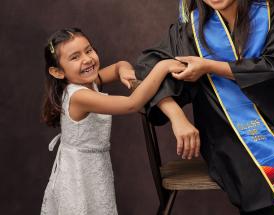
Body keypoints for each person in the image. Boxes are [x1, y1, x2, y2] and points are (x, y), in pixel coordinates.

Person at [135, 0, 274, 214]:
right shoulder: (192, 28)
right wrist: (176, 115)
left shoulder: (270, 13)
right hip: (223, 131)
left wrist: (210, 66)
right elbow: (147, 67)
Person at [40, 28, 186, 215]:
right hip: (78, 174)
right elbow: (131, 104)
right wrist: (162, 67)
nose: (87, 59)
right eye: (75, 57)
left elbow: (119, 66)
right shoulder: (79, 96)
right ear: (58, 72)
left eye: (89, 50)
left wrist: (123, 70)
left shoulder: (89, 81)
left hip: (95, 168)